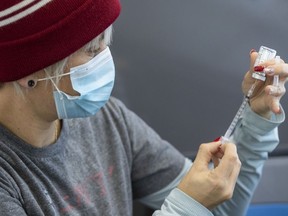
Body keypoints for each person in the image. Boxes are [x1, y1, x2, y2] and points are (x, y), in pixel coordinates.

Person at [0, 1, 287, 215]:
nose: (106, 59)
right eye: (91, 50)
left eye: (105, 43)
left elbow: (215, 208)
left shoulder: (107, 120)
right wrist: (184, 206)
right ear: (29, 73)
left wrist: (256, 120)